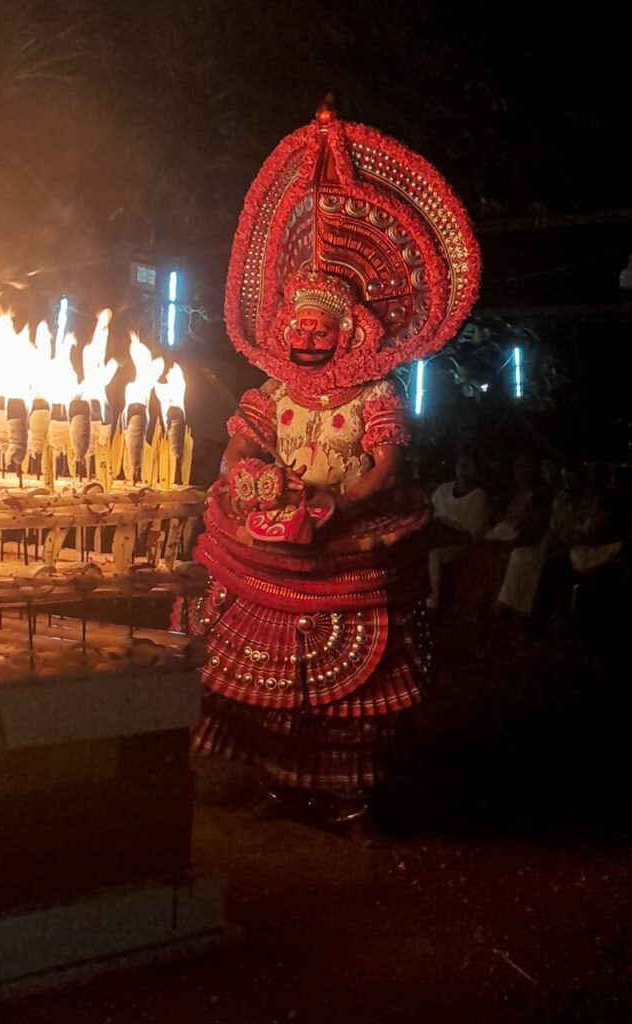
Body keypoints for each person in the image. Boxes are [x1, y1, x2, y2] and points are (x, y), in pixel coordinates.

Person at [186, 105, 481, 842]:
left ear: (349, 330)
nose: (305, 337)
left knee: (354, 689)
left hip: (346, 541)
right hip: (272, 537)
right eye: (297, 328)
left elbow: (383, 473)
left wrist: (332, 505)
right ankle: (278, 785)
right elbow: (237, 451)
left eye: (320, 329)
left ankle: (345, 799)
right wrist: (259, 484)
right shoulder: (269, 393)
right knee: (250, 668)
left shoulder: (376, 397)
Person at [425, 453, 491, 610]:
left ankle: (432, 602)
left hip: (457, 543)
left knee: (432, 554)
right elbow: (429, 513)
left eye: (468, 465)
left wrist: (448, 532)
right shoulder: (443, 489)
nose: (463, 469)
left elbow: (472, 534)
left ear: (476, 470)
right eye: (461, 464)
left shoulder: (479, 497)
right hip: (436, 535)